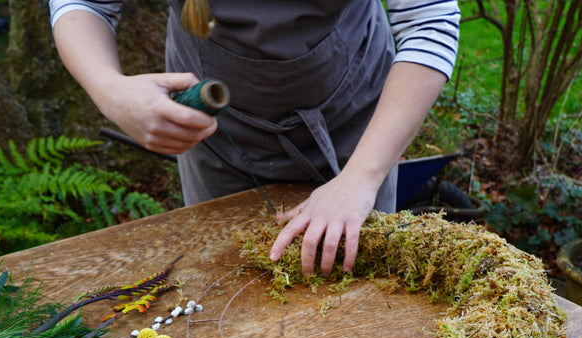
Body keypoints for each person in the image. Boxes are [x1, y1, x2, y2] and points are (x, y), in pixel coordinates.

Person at [48, 0, 460, 276]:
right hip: (217, 139)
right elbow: (84, 5)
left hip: (358, 134)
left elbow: (430, 20)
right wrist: (109, 89)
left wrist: (361, 178)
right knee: (225, 294)